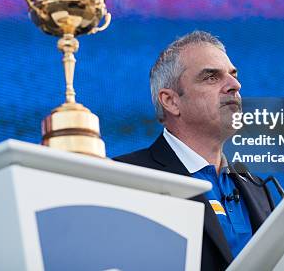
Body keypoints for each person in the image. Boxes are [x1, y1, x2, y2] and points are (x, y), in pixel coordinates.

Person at [115, 31, 274, 271]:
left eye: (233, 75)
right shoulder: (128, 178)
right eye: (211, 77)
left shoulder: (259, 188)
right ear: (171, 101)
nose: (235, 86)